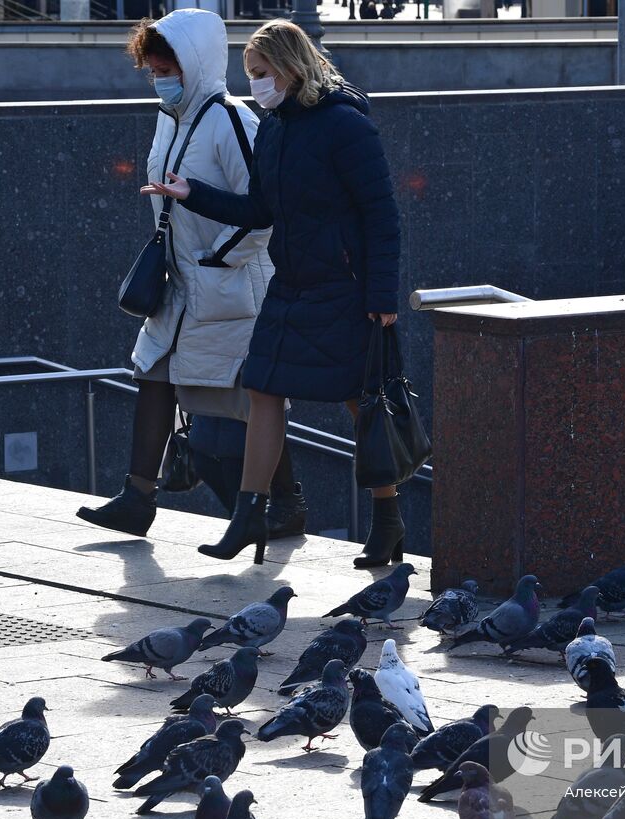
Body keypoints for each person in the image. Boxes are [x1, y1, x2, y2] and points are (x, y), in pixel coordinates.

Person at [141, 19, 402, 569]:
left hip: (345, 288)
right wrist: (192, 194)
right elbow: (259, 208)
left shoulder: (344, 125)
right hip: (293, 284)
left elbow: (382, 214)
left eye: (261, 74)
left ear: (289, 66)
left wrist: (382, 297)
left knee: (363, 405)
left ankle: (387, 518)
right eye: (250, 75)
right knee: (262, 388)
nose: (255, 85)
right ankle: (249, 513)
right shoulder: (277, 126)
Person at [77, 9, 307, 541]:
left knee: (253, 399)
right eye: (153, 68)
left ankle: (287, 504)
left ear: (194, 64)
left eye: (166, 68)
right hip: (183, 280)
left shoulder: (231, 120)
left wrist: (219, 257)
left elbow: (262, 208)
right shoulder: (171, 117)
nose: (159, 79)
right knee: (152, 374)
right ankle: (138, 496)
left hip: (229, 284)